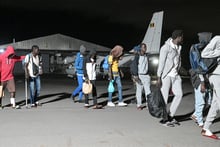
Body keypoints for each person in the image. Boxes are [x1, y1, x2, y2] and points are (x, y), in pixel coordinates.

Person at [157, 30, 184, 127]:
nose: (182, 38)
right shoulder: (165, 48)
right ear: (177, 37)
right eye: (182, 37)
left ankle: (170, 116)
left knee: (179, 94)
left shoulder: (179, 47)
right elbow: (161, 62)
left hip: (176, 75)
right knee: (164, 97)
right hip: (166, 75)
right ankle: (164, 120)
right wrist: (159, 76)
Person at [189, 32, 212, 128]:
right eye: (209, 38)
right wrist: (202, 82)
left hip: (206, 78)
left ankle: (195, 115)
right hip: (199, 78)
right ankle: (199, 121)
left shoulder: (205, 48)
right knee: (200, 100)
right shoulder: (197, 49)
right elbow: (199, 67)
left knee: (209, 100)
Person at [200, 36, 220, 139]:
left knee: (216, 104)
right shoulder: (217, 39)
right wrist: (218, 52)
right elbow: (204, 53)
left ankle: (206, 129)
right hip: (216, 75)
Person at [131, 43, 151, 110]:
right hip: (139, 75)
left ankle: (149, 105)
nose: (145, 48)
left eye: (145, 47)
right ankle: (139, 105)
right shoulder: (137, 56)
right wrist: (135, 75)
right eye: (143, 47)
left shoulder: (147, 56)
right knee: (139, 91)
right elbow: (134, 66)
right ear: (140, 48)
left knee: (148, 91)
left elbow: (148, 66)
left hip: (146, 75)